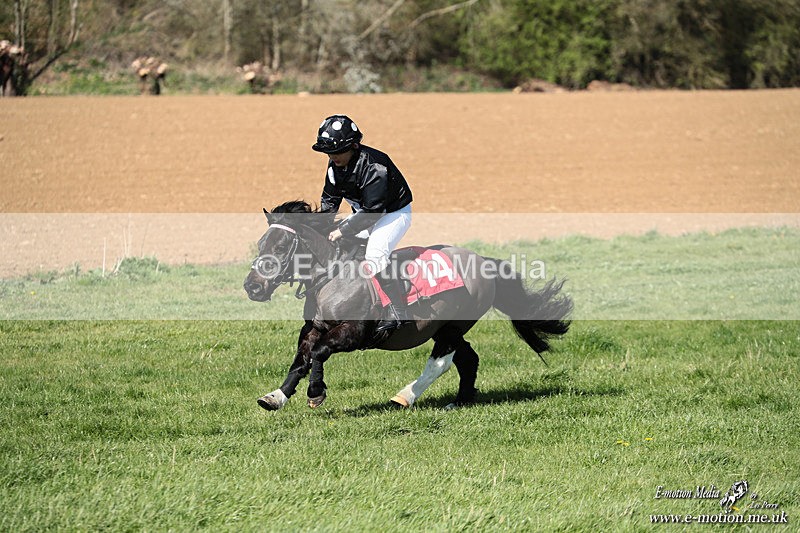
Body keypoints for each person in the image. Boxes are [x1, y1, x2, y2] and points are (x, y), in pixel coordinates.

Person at [312, 114, 413, 333]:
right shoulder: (335, 166)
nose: (332, 156)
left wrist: (342, 230)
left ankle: (399, 312)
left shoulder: (375, 167)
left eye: (337, 151)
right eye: (328, 152)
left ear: (354, 146)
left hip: (392, 214)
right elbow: (330, 200)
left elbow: (373, 212)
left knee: (375, 254)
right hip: (364, 213)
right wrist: (321, 227)